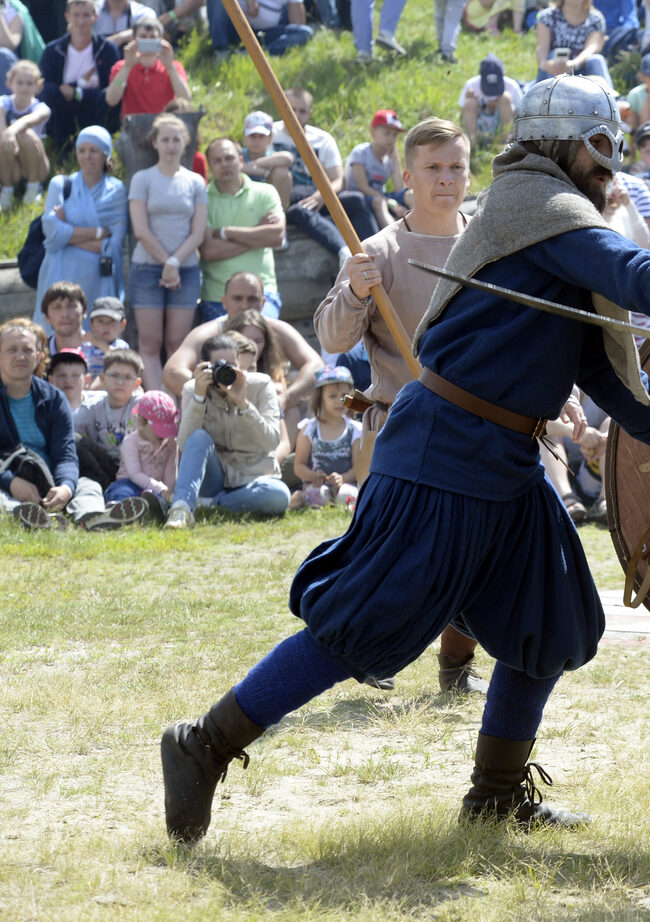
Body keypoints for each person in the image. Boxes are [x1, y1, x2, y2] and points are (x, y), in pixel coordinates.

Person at [157, 75, 650, 845]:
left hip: (503, 458)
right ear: (567, 144)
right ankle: (203, 744)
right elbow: (636, 277)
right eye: (600, 149)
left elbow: (604, 372)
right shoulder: (532, 206)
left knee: (550, 619)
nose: (609, 169)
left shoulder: (557, 222)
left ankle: (497, 794)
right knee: (363, 623)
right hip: (442, 449)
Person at [315, 115, 490, 692]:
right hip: (403, 429)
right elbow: (333, 339)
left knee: (475, 555)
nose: (446, 178)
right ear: (406, 175)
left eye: (456, 167)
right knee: (393, 555)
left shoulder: (491, 244)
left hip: (480, 428)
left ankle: (456, 665)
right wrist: (354, 290)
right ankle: (367, 651)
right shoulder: (379, 251)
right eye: (433, 168)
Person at [0, 316, 145, 530]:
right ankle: (28, 517)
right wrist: (11, 482)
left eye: (27, 350)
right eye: (12, 350)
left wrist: (66, 487)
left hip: (48, 476)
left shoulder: (54, 398)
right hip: (7, 477)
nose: (20, 356)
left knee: (89, 486)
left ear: (38, 356)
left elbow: (66, 454)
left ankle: (93, 517)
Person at [165, 330, 290, 526]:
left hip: (252, 478)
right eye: (219, 366)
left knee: (279, 495)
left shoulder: (261, 385)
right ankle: (181, 509)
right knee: (198, 437)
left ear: (240, 364)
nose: (226, 371)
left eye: (231, 365)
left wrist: (243, 404)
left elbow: (271, 441)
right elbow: (185, 444)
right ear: (205, 366)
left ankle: (207, 504)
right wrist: (199, 398)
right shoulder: (193, 389)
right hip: (215, 477)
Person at [127, 114, 208, 390]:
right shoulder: (142, 179)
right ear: (155, 143)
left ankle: (176, 402)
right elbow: (140, 229)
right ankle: (156, 404)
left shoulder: (196, 182)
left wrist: (174, 263)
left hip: (185, 268)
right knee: (150, 343)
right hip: (146, 267)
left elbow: (197, 233)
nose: (171, 145)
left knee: (177, 342)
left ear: (185, 143)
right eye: (165, 139)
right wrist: (166, 263)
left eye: (177, 139)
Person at [163, 271, 320, 413]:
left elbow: (317, 366)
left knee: (297, 384)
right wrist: (217, 392)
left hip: (269, 406)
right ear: (224, 302)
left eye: (252, 299)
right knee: (178, 390)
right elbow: (172, 372)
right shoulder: (208, 332)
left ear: (263, 302)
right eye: (237, 298)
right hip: (220, 408)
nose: (245, 306)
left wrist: (286, 398)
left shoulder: (277, 330)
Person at [34, 125, 123, 323]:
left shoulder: (117, 191)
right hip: (60, 275)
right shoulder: (61, 185)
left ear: (105, 155)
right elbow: (52, 234)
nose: (87, 156)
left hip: (98, 279)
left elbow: (113, 245)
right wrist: (98, 232)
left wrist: (69, 234)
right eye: (82, 150)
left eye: (94, 150)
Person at [272, 86, 361, 264]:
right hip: (287, 197)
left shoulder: (323, 139)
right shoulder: (270, 134)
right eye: (291, 109)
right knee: (302, 209)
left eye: (302, 111)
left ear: (310, 112)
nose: (296, 115)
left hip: (319, 194)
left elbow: (338, 179)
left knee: (355, 199)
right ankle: (343, 251)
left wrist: (321, 196)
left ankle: (372, 249)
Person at [199, 136, 285, 322]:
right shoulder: (202, 199)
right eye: (217, 160)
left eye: (229, 158)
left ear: (241, 159)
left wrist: (226, 232)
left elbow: (277, 236)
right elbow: (208, 251)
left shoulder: (266, 192)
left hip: (262, 294)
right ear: (209, 167)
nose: (224, 164)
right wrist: (258, 234)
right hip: (217, 296)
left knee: (258, 336)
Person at [38, 0, 116, 149]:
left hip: (96, 107)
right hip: (62, 110)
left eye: (86, 15)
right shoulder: (53, 50)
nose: (81, 21)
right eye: (76, 15)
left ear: (95, 17)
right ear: (67, 16)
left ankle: (101, 145)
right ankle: (64, 147)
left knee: (107, 96)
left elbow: (112, 88)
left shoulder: (107, 49)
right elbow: (43, 87)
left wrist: (76, 93)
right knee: (50, 90)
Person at [72, 343, 141, 493]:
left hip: (135, 467)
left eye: (128, 377)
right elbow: (70, 434)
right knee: (75, 440)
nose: (120, 382)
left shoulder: (142, 406)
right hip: (104, 465)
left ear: (137, 383)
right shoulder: (92, 406)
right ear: (102, 378)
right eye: (114, 375)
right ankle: (105, 487)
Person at [290, 364, 361, 509]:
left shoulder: (355, 430)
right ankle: (304, 499)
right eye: (332, 396)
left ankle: (347, 504)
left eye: (344, 396)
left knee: (348, 495)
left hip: (345, 485)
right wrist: (313, 476)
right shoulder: (309, 429)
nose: (339, 401)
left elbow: (358, 468)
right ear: (320, 398)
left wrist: (342, 478)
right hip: (317, 485)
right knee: (319, 494)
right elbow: (299, 465)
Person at [102, 17, 189, 122]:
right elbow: (111, 100)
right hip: (134, 129)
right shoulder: (121, 67)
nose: (148, 40)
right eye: (143, 37)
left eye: (152, 37)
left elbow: (185, 99)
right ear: (134, 39)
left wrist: (170, 67)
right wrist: (127, 67)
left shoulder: (173, 66)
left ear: (161, 40)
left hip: (164, 128)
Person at [534, 0, 608, 82]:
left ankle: (610, 98)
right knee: (553, 55)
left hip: (582, 70)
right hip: (551, 73)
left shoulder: (596, 19)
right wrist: (546, 64)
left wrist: (574, 64)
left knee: (596, 60)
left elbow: (592, 48)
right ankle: (549, 99)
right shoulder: (547, 17)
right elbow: (541, 49)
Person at [108, 387, 178, 514]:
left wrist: (168, 491)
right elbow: (134, 473)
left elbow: (170, 472)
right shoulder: (131, 441)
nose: (164, 437)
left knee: (153, 496)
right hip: (130, 482)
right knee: (123, 491)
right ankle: (119, 509)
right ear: (142, 421)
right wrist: (160, 488)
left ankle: (156, 508)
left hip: (154, 490)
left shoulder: (171, 443)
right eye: (159, 433)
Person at [343, 108, 408, 229]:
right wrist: (390, 202)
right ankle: (391, 239)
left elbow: (399, 189)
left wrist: (395, 161)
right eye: (387, 133)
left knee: (409, 195)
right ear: (373, 133)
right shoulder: (360, 153)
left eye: (394, 135)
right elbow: (363, 187)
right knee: (380, 202)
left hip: (380, 196)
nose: (391, 139)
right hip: (358, 198)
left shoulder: (389, 159)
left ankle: (425, 230)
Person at [0, 58, 50, 204]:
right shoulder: (4, 102)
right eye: (20, 83)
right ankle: (7, 188)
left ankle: (34, 187)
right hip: (13, 165)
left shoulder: (41, 108)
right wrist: (6, 135)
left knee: (24, 133)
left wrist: (11, 132)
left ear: (37, 86)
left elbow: (29, 120)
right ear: (10, 83)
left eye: (29, 84)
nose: (24, 87)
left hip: (35, 167)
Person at [459, 53, 522, 146]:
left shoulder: (511, 85)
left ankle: (506, 143)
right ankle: (472, 144)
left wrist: (501, 107)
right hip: (479, 124)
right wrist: (476, 105)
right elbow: (461, 115)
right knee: (469, 103)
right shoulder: (471, 85)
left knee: (506, 97)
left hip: (502, 124)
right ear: (480, 75)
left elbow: (522, 111)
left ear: (504, 73)